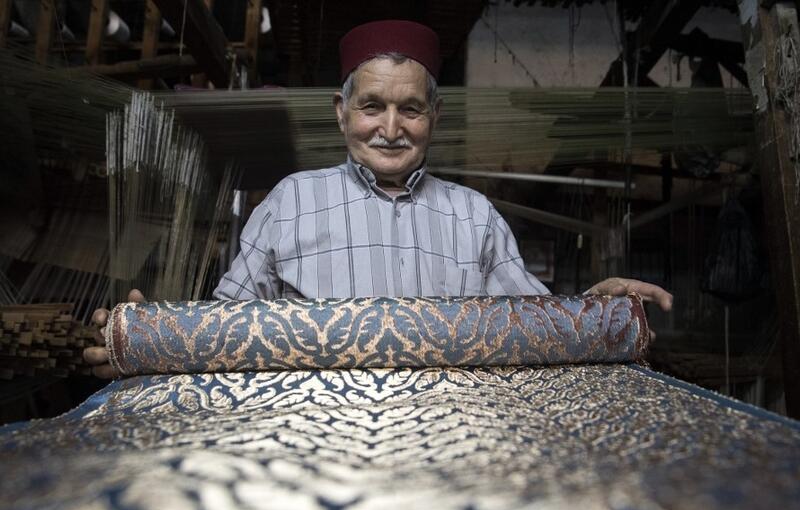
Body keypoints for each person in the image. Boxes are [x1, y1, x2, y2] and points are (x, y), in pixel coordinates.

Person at [84, 20, 672, 378]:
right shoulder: (289, 203)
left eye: (410, 109)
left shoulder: (475, 217)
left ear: (433, 117)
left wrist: (595, 309)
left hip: (450, 438)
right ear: (342, 113)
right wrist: (150, 340)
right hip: (309, 441)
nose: (391, 127)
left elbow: (534, 329)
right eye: (372, 107)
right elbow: (226, 328)